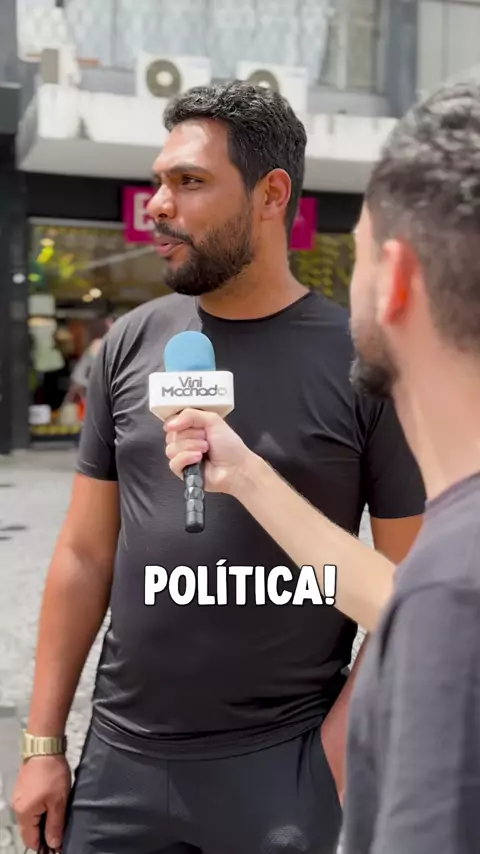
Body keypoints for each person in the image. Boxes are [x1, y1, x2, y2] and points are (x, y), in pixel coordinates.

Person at [12, 81, 424, 854]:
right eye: (159, 181)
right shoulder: (131, 344)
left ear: (271, 195)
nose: (158, 205)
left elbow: (413, 589)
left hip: (284, 769)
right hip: (121, 765)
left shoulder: (365, 365)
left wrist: (331, 761)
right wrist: (43, 745)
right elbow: (83, 555)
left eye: (190, 181)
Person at [164, 78, 480, 853]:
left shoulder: (454, 594)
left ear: (395, 280)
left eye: (359, 250)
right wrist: (242, 473)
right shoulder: (451, 566)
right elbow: (394, 596)